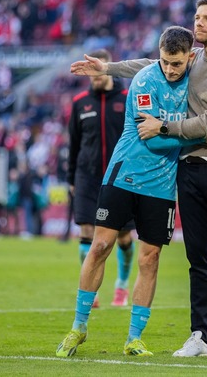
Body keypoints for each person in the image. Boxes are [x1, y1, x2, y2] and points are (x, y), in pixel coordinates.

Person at [70, 0, 207, 359]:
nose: (199, 23)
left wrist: (164, 126)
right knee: (198, 257)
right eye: (197, 17)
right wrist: (108, 67)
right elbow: (150, 64)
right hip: (189, 168)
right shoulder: (194, 58)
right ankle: (201, 336)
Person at [56, 26, 207, 358]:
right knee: (99, 246)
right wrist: (205, 137)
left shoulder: (195, 78)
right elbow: (152, 136)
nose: (170, 69)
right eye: (165, 62)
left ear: (189, 57)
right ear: (159, 54)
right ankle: (78, 327)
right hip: (124, 174)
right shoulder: (144, 81)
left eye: (177, 64)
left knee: (149, 258)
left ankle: (134, 338)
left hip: (162, 185)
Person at [67, 48, 135, 308]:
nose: (94, 76)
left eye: (98, 70)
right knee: (86, 230)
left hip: (121, 177)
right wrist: (71, 177)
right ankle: (91, 289)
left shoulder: (128, 98)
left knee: (125, 237)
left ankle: (121, 286)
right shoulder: (80, 103)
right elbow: (73, 144)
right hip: (87, 177)